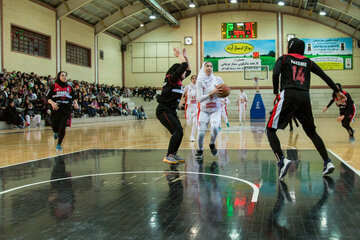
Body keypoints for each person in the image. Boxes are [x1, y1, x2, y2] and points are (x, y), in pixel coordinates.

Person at [267, 38, 346, 180]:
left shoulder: (284, 58)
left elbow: (275, 73)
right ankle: (327, 162)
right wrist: (337, 91)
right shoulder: (308, 62)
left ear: (290, 47)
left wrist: (275, 92)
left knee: (270, 129)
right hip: (304, 97)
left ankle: (282, 161)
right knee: (312, 132)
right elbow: (324, 76)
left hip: (289, 94)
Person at [156, 47, 191, 164]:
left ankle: (173, 154)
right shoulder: (171, 79)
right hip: (163, 110)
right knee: (177, 130)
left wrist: (186, 57)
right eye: (183, 72)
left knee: (179, 131)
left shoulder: (179, 81)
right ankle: (168, 155)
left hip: (171, 111)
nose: (185, 73)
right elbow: (183, 66)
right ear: (178, 71)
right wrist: (179, 55)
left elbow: (188, 69)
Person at [195, 61, 224, 161]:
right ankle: (200, 150)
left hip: (216, 109)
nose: (210, 68)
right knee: (201, 133)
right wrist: (211, 93)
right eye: (207, 66)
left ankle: (212, 143)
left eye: (211, 66)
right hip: (204, 110)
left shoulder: (218, 79)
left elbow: (223, 92)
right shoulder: (199, 81)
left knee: (215, 127)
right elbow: (200, 99)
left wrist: (224, 97)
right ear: (203, 68)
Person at [46, 71, 79, 151]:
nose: (64, 77)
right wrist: (52, 103)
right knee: (54, 125)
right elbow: (47, 98)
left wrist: (76, 103)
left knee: (62, 127)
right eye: (62, 75)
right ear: (59, 76)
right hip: (56, 108)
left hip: (66, 109)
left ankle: (59, 144)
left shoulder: (69, 87)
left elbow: (74, 97)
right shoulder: (53, 86)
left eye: (65, 76)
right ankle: (55, 132)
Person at [181, 75, 198, 142]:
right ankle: (191, 117)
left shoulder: (199, 87)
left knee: (195, 122)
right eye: (193, 78)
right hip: (189, 107)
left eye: (195, 78)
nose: (194, 80)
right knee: (189, 123)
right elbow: (181, 94)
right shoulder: (187, 87)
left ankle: (192, 136)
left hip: (196, 107)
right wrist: (182, 100)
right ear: (191, 80)